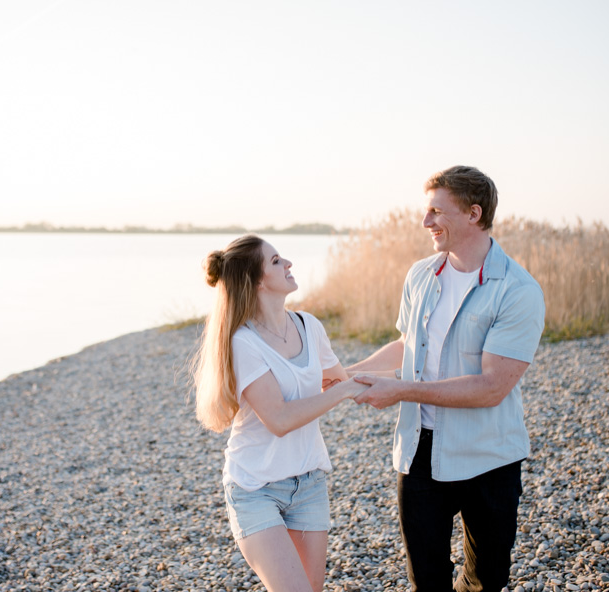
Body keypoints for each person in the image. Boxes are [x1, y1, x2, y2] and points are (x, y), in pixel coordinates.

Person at [349, 166, 546, 591]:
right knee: (427, 580)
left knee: (485, 581)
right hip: (419, 450)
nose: (426, 222)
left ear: (473, 214)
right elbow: (407, 345)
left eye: (437, 211)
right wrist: (349, 374)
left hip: (489, 456)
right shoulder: (421, 274)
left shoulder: (517, 290)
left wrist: (400, 390)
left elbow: (493, 386)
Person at [192, 234, 367, 592]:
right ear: (256, 281)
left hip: (309, 483)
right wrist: (346, 391)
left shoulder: (309, 326)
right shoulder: (243, 343)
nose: (288, 263)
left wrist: (404, 375)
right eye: (275, 261)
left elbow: (339, 379)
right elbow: (280, 419)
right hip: (256, 488)